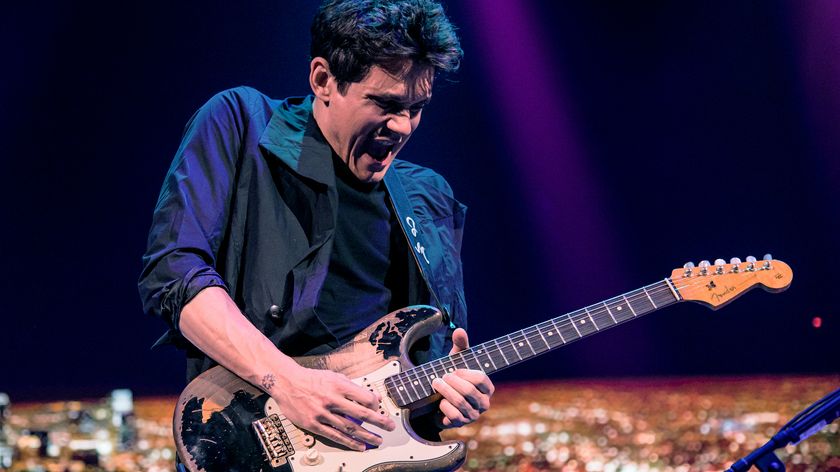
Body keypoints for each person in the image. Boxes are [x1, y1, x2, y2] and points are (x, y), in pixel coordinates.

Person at [138, 0, 493, 456]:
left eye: (417, 107)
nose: (403, 126)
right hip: (251, 447)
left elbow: (427, 372)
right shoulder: (242, 124)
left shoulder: (428, 196)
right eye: (385, 103)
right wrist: (289, 382)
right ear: (323, 80)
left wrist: (451, 398)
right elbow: (173, 273)